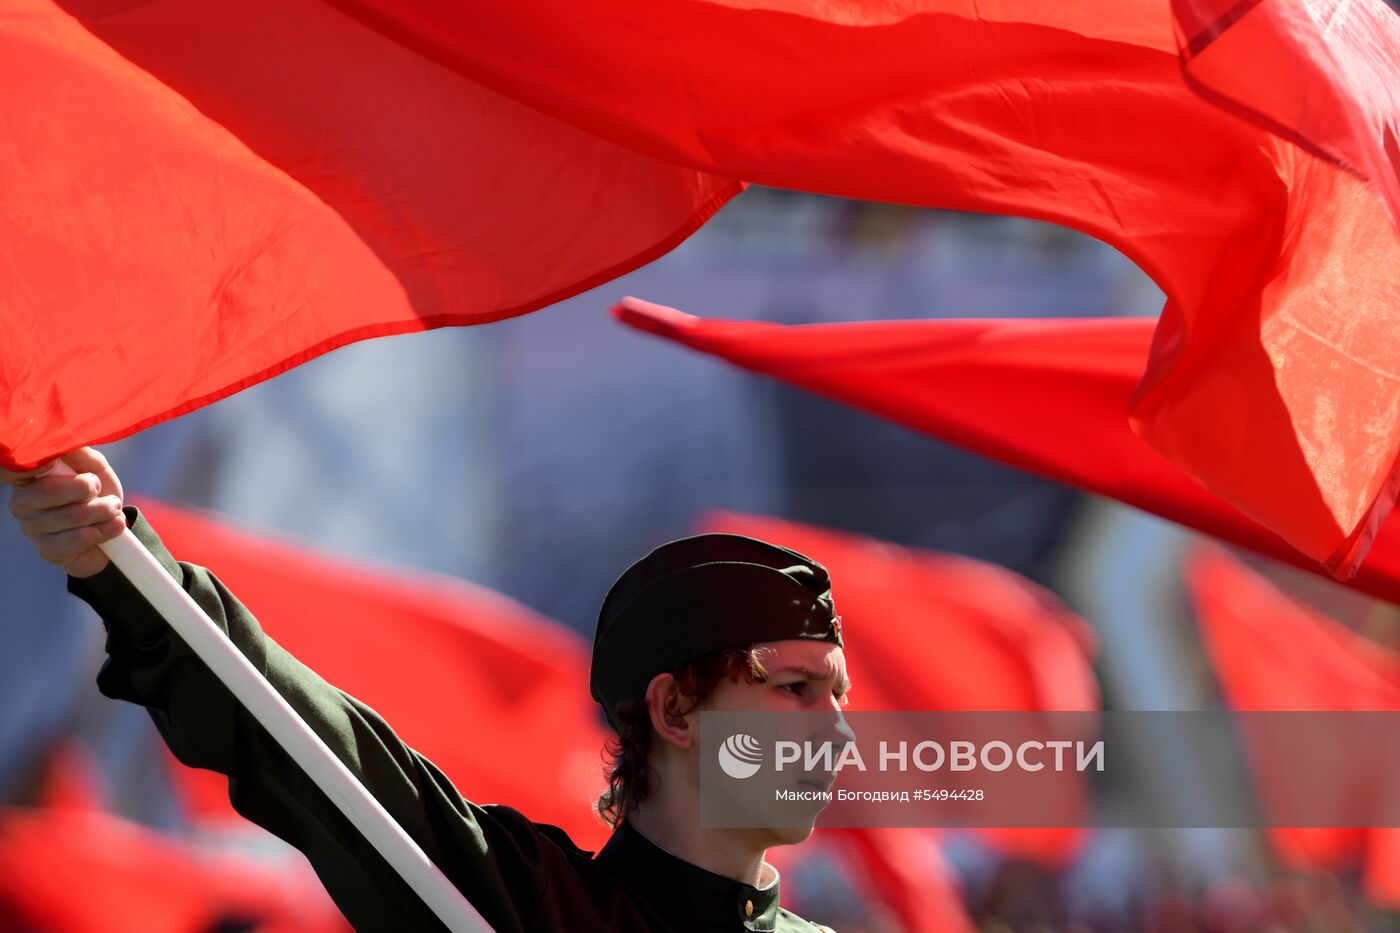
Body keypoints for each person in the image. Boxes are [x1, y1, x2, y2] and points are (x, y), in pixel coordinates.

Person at [3, 447, 851, 933]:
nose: (839, 733)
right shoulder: (523, 902)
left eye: (838, 696)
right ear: (674, 710)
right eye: (796, 688)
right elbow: (303, 738)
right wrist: (123, 565)